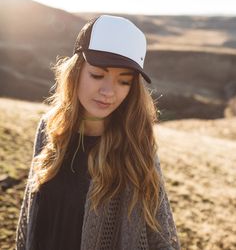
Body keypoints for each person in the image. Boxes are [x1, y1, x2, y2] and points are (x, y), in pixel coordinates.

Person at [16, 15, 180, 250]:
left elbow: (160, 236)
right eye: (97, 75)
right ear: (76, 71)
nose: (108, 92)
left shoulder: (135, 144)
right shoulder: (49, 127)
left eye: (124, 81)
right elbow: (32, 216)